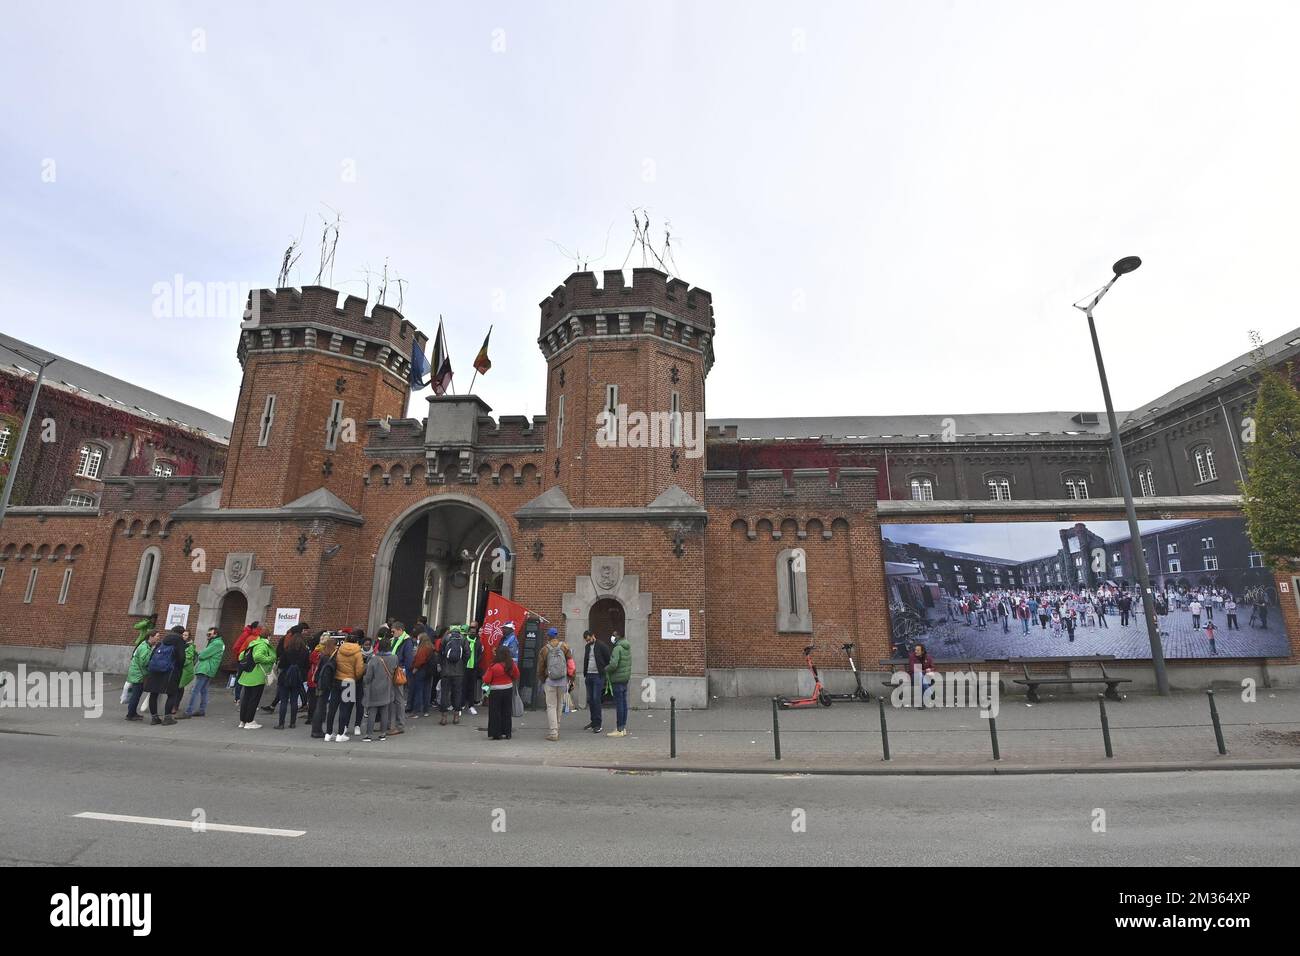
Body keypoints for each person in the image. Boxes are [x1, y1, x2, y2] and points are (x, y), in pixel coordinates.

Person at [536, 627, 574, 742]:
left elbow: (541, 667)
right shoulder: (565, 647)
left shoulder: (544, 649)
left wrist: (543, 679)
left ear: (548, 636)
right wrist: (571, 678)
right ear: (556, 635)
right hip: (562, 680)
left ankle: (553, 732)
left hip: (550, 681)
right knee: (559, 705)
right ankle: (557, 727)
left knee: (551, 706)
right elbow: (571, 664)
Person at [145, 626, 187, 726]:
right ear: (181, 634)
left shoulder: (162, 642)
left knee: (153, 694)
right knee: (172, 694)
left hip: (155, 672)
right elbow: (181, 659)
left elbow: (151, 657)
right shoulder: (179, 642)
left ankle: (154, 718)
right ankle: (167, 718)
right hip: (170, 672)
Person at [327, 630, 365, 742]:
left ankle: (328, 734)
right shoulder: (358, 653)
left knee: (332, 708)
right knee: (345, 708)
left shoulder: (338, 650)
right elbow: (359, 671)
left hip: (336, 680)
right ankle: (340, 734)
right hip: (349, 681)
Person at [236, 628, 276, 729]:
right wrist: (270, 659)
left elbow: (241, 656)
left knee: (246, 698)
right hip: (257, 675)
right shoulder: (262, 645)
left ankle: (242, 721)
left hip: (247, 675)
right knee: (254, 699)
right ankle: (249, 721)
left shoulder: (253, 643)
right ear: (268, 636)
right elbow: (258, 657)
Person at [180, 628, 224, 718]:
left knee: (195, 691)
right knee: (204, 690)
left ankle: (189, 711)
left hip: (205, 669)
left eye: (210, 634)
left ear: (216, 634)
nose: (207, 636)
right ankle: (201, 710)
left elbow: (203, 655)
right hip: (209, 669)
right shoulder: (217, 643)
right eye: (207, 634)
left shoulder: (216, 643)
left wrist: (200, 654)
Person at [362, 637, 398, 741]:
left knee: (372, 711)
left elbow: (368, 677)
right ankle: (383, 734)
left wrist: (364, 681)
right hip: (388, 687)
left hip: (374, 688)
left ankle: (368, 734)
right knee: (385, 711)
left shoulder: (373, 659)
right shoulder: (394, 657)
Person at [482, 645, 520, 740]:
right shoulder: (511, 665)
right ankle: (507, 733)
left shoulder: (494, 666)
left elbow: (486, 679)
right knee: (506, 711)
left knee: (495, 712)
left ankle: (496, 733)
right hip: (508, 689)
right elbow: (517, 675)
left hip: (495, 691)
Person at [276, 627, 310, 729]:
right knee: (294, 701)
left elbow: (281, 665)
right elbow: (306, 666)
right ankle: (292, 723)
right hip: (297, 678)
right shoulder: (305, 652)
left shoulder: (287, 650)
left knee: (284, 701)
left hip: (285, 677)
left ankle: (281, 723)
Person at [124, 631, 159, 721]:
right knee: (136, 695)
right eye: (157, 636)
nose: (158, 638)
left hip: (137, 673)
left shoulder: (146, 645)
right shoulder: (144, 647)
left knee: (136, 695)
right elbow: (143, 662)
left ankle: (132, 713)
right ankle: (130, 715)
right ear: (150, 637)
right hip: (139, 674)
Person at [581, 630, 610, 733]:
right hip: (588, 675)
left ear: (593, 636)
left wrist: (603, 669)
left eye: (589, 639)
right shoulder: (587, 647)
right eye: (586, 640)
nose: (588, 642)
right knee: (590, 700)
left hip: (598, 676)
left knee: (596, 699)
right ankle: (593, 721)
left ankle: (598, 724)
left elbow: (608, 659)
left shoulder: (602, 646)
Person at [310, 636, 339, 739]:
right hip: (325, 684)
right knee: (321, 707)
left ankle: (316, 729)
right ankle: (316, 730)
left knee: (319, 706)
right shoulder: (330, 658)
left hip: (319, 683)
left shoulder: (323, 655)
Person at [439, 625, 468, 724]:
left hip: (446, 672)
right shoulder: (463, 639)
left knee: (444, 693)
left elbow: (441, 653)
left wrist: (442, 665)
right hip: (459, 672)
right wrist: (462, 665)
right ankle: (456, 716)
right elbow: (467, 654)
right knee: (457, 693)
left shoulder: (445, 638)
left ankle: (444, 717)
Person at [605, 630, 631, 737]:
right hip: (625, 678)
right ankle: (623, 727)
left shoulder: (617, 648)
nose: (612, 637)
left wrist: (606, 669)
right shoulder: (627, 647)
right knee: (624, 703)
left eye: (614, 635)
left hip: (617, 679)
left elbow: (614, 664)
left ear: (618, 637)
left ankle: (619, 729)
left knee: (620, 704)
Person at [388, 621, 413, 735]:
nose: (392, 633)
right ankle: (390, 724)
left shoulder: (406, 641)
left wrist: (405, 672)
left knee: (398, 699)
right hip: (393, 671)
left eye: (393, 631)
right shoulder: (398, 640)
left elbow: (408, 659)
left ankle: (399, 725)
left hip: (398, 671)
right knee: (393, 699)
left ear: (400, 630)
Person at [230, 622, 261, 702]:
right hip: (245, 660)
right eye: (260, 627)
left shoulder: (249, 634)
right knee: (243, 679)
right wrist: (241, 658)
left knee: (241, 678)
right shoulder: (252, 636)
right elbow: (237, 647)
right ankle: (239, 698)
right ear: (256, 628)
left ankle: (238, 698)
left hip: (243, 659)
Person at [410, 631, 434, 719]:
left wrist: (415, 669)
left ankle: (416, 711)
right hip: (429, 671)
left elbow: (420, 660)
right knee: (427, 691)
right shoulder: (431, 647)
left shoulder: (423, 648)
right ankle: (426, 710)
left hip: (421, 671)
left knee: (418, 691)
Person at [173, 629, 197, 716]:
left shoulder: (190, 646)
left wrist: (179, 662)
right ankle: (174, 705)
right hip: (178, 669)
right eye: (183, 635)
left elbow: (189, 658)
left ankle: (175, 706)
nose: (184, 636)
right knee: (177, 687)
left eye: (186, 635)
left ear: (189, 637)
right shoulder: (179, 644)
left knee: (179, 687)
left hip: (185, 670)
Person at [462, 625, 482, 716]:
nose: (473, 634)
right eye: (471, 632)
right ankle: (461, 704)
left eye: (474, 633)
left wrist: (476, 662)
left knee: (471, 687)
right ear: (468, 632)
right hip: (464, 667)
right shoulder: (464, 640)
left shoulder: (478, 642)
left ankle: (471, 705)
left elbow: (480, 654)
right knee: (463, 687)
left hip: (473, 668)